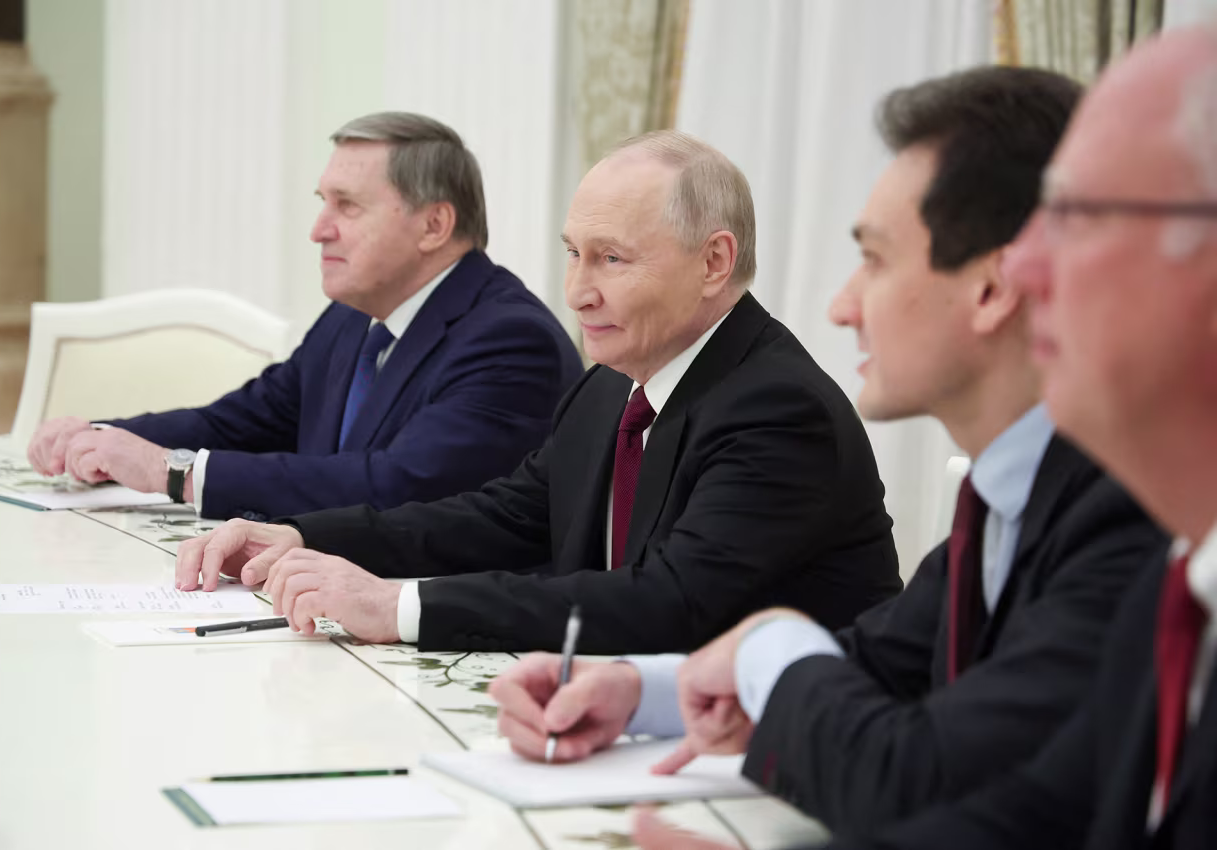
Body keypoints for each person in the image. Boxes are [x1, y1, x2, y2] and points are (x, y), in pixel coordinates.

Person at [490, 65, 1167, 841]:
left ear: (992, 289)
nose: (843, 307)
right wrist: (641, 690)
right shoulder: (1013, 495)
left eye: (875, 260)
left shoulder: (1133, 514)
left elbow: (915, 775)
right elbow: (879, 661)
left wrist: (765, 642)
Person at [173, 130, 903, 653]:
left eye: (611, 259)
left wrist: (395, 607)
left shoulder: (777, 409)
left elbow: (667, 603)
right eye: (573, 255)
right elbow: (504, 516)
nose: (578, 292)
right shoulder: (611, 385)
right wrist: (304, 536)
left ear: (714, 261)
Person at [798, 24, 1217, 850]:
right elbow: (1030, 816)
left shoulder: (1134, 529)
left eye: (1081, 220)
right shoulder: (1177, 577)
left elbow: (935, 777)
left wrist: (767, 652)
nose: (1023, 269)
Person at [26, 112, 582, 521]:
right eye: (323, 202)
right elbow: (247, 420)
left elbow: (399, 486)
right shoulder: (353, 316)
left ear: (434, 226)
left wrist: (174, 473)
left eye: (348, 205)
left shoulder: (510, 341)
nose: (318, 230)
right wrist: (104, 439)